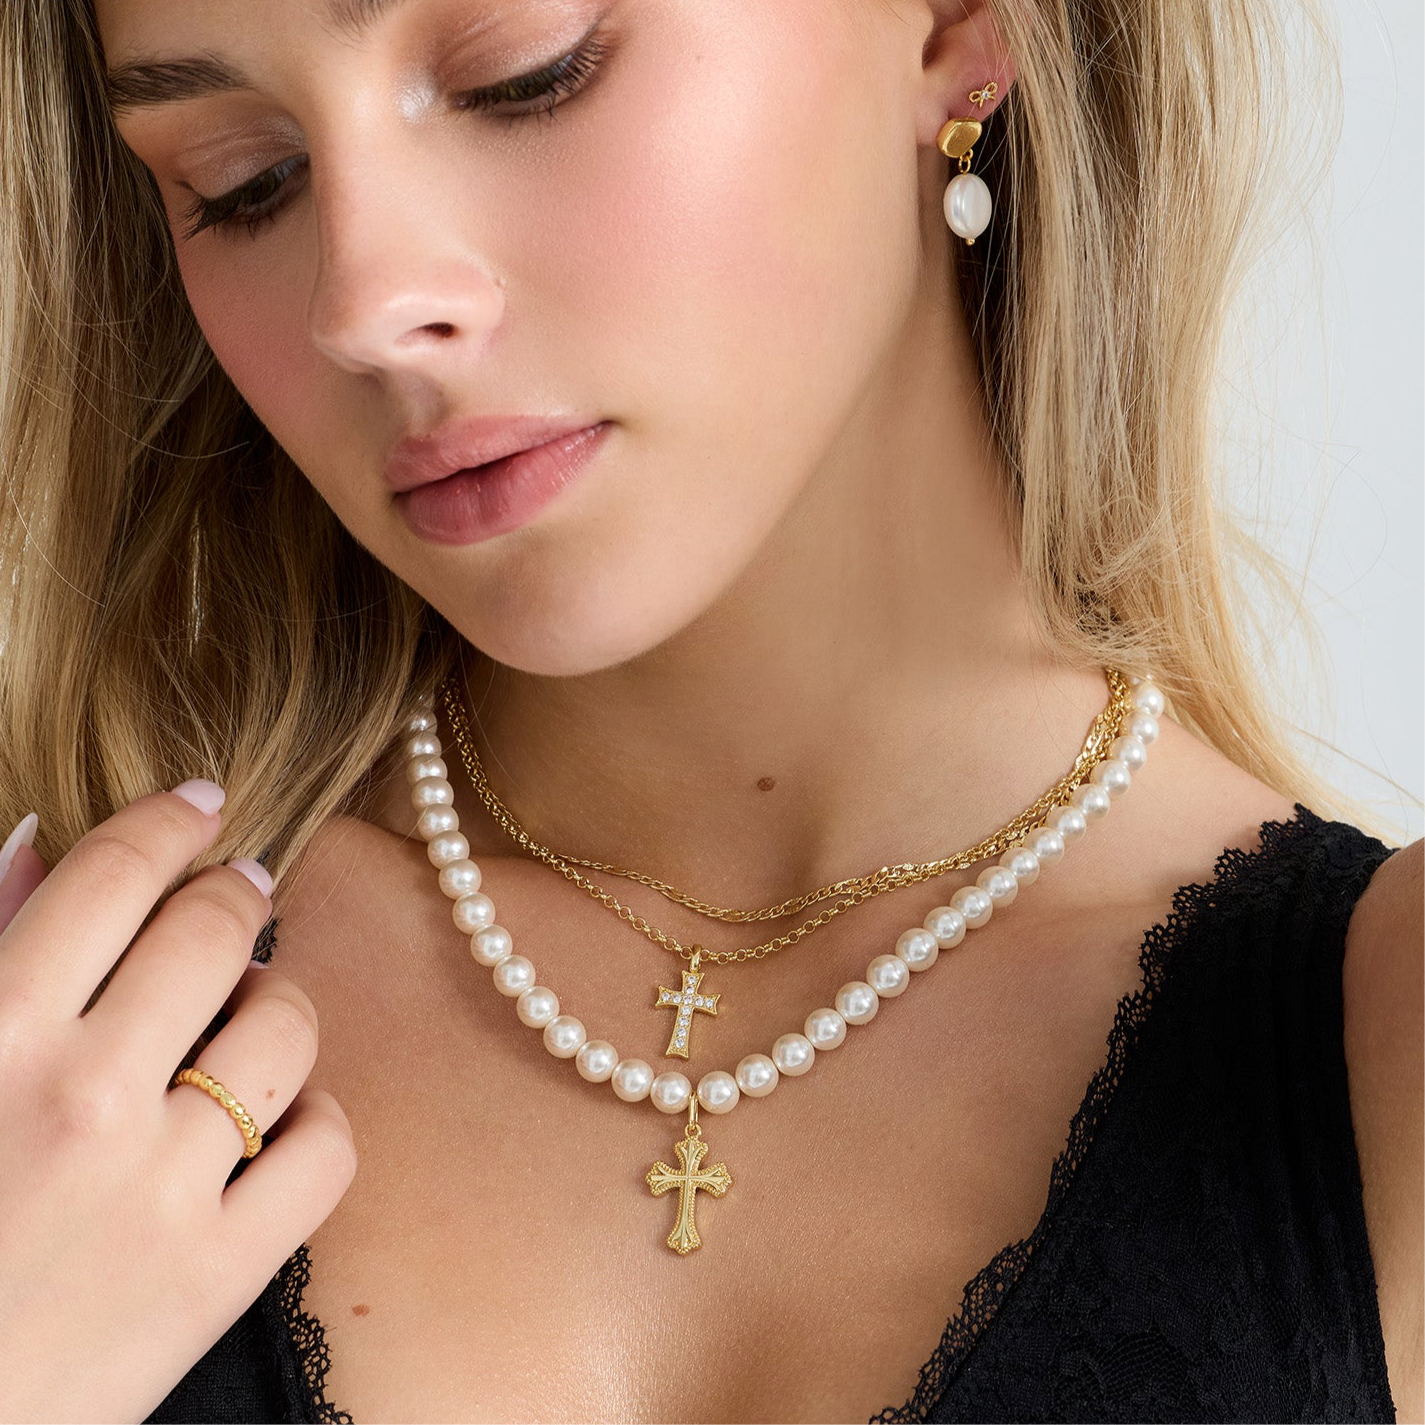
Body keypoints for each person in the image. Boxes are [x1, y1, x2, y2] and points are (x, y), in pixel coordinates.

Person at [0, 0, 1420, 1419]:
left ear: (952, 27)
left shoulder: (1379, 1057)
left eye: (525, 74)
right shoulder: (48, 1016)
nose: (362, 305)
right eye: (245, 183)